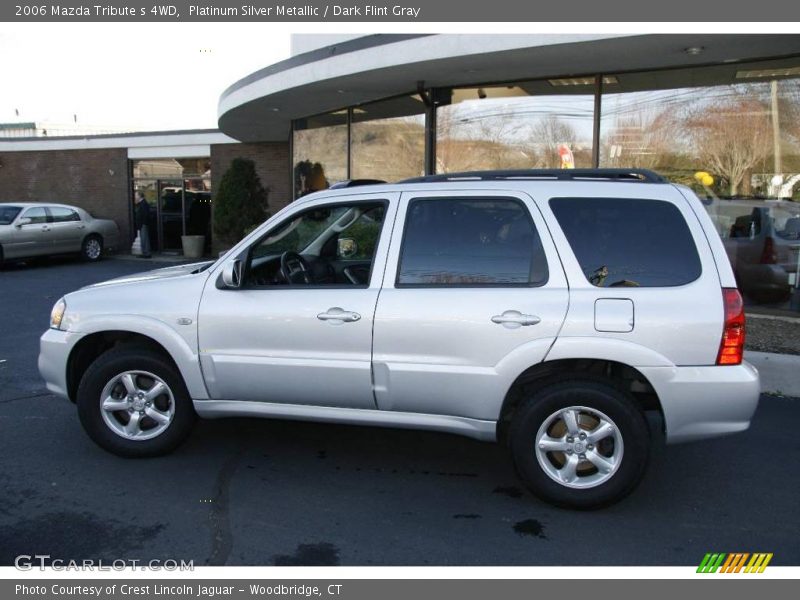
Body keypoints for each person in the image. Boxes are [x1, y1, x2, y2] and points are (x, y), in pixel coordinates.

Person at [134, 191, 152, 258]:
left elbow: (145, 214)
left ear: (139, 196)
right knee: (143, 238)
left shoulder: (143, 203)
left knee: (145, 238)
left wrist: (144, 223)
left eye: (136, 195)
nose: (135, 197)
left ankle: (147, 253)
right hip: (142, 224)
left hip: (143, 224)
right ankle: (144, 252)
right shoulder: (141, 203)